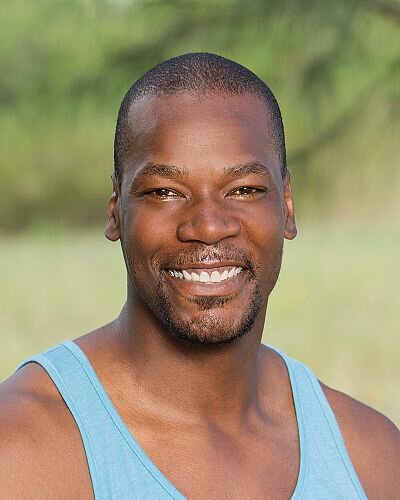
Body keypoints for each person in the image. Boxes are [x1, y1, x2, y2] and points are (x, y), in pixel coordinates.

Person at [0, 53, 399, 499]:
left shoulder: (372, 459)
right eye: (165, 192)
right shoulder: (18, 453)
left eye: (244, 189)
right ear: (116, 211)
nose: (208, 226)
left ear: (286, 205)